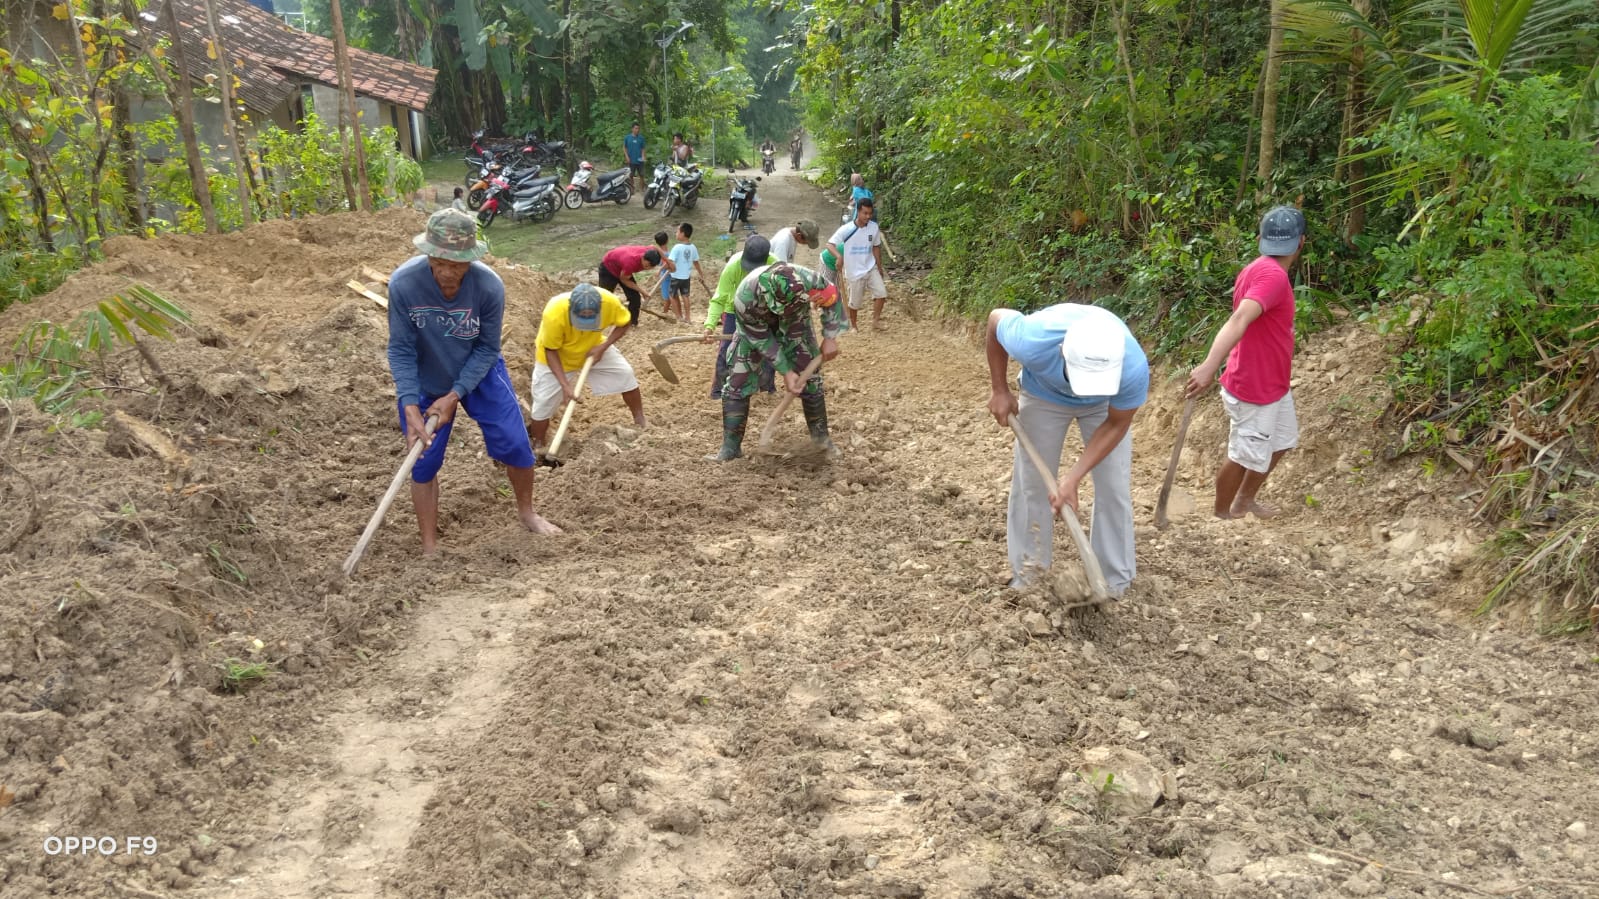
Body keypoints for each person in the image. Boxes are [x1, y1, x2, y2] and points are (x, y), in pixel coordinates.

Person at [386, 209, 560, 553]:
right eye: (441, 262)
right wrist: (409, 402)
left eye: (458, 264)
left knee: (515, 443)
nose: (448, 273)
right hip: (425, 377)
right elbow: (401, 349)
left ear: (471, 259)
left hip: (479, 372)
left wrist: (455, 395)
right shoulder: (404, 285)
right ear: (428, 254)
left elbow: (486, 348)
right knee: (423, 459)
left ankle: (527, 513)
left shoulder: (488, 286)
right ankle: (430, 544)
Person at [985, 303, 1149, 594]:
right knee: (1032, 484)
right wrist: (1000, 389)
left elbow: (1116, 424)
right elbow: (996, 320)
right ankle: (1029, 576)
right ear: (1062, 354)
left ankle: (1113, 582)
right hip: (1044, 394)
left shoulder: (1132, 367)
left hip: (1103, 406)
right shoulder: (1034, 340)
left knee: (1113, 484)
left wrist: (1072, 478)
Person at [1184, 205, 1307, 520]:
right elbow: (1240, 318)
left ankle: (1243, 501)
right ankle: (1222, 515)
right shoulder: (1273, 277)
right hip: (1255, 385)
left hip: (1272, 383)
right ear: (1301, 243)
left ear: (1260, 240)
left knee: (1282, 441)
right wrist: (1210, 365)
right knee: (1242, 455)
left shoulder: (1257, 268)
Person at [706, 261, 844, 462]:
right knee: (737, 381)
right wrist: (787, 372)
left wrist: (830, 336)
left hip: (796, 325)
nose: (784, 309)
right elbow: (762, 340)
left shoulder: (811, 280)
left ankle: (822, 442)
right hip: (755, 330)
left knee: (812, 381)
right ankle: (730, 448)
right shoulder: (745, 297)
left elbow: (832, 299)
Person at [530, 283, 646, 447]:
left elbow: (624, 322)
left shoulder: (610, 302)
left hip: (593, 348)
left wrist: (603, 347)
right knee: (543, 403)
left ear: (600, 308)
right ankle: (538, 444)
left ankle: (640, 420)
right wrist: (565, 385)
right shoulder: (554, 313)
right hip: (557, 356)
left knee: (625, 374)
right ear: (571, 310)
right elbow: (550, 350)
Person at [704, 236, 779, 399]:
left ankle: (766, 389)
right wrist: (709, 326)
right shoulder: (732, 267)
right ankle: (718, 391)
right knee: (726, 349)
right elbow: (719, 298)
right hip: (735, 309)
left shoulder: (776, 267)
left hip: (764, 310)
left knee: (769, 348)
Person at [828, 198, 889, 332]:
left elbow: (876, 247)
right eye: (865, 213)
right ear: (858, 212)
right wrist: (839, 256)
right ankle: (854, 325)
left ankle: (875, 321)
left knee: (881, 294)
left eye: (870, 213)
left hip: (870, 267)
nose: (868, 216)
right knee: (854, 303)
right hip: (854, 271)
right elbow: (829, 244)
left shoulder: (874, 227)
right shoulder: (847, 229)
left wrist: (879, 266)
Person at [597, 244, 662, 327]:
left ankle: (632, 322)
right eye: (646, 266)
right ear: (643, 258)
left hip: (623, 269)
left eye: (650, 267)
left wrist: (668, 261)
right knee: (605, 297)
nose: (647, 268)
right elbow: (624, 280)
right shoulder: (631, 262)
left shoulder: (649, 251)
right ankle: (597, 320)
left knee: (635, 298)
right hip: (608, 268)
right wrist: (643, 292)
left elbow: (655, 246)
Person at [665, 222, 712, 324]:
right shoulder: (693, 247)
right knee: (685, 296)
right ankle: (688, 317)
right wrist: (701, 274)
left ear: (682, 233)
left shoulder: (677, 247)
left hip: (676, 276)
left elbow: (670, 261)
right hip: (686, 277)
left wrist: (667, 268)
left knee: (672, 295)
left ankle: (678, 317)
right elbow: (696, 262)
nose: (676, 233)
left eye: (677, 231)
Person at [623, 121, 647, 190]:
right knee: (631, 175)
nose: (637, 130)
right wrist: (626, 156)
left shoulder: (641, 138)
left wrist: (643, 156)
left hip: (640, 160)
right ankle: (631, 188)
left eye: (638, 128)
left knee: (642, 175)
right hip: (631, 160)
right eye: (636, 128)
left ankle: (642, 188)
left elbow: (643, 148)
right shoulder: (627, 137)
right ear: (632, 129)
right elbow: (624, 147)